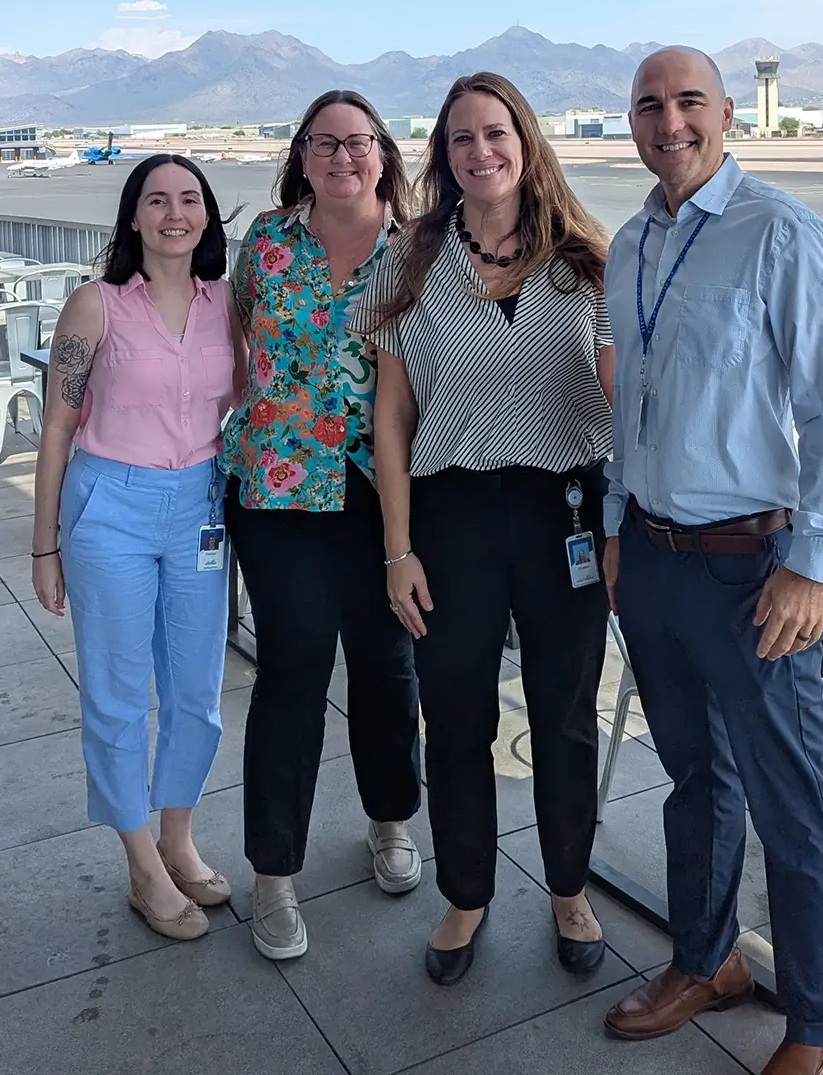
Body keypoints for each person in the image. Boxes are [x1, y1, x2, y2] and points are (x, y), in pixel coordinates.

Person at [599, 48, 823, 1075]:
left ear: (727, 116)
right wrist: (620, 528)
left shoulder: (781, 232)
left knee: (791, 797)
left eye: (689, 103)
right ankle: (706, 962)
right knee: (694, 780)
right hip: (657, 561)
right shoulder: (630, 245)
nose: (670, 122)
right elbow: (632, 409)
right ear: (631, 122)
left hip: (755, 566)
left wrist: (815, 560)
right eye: (649, 105)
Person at [351, 70, 614, 986]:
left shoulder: (587, 259)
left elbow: (631, 394)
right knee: (454, 716)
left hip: (564, 512)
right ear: (443, 156)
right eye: (461, 138)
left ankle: (569, 891)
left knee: (565, 716)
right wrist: (398, 548)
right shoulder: (408, 262)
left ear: (525, 139)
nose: (481, 151)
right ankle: (467, 896)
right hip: (451, 516)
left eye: (495, 132)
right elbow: (390, 419)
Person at [219, 90, 423, 962]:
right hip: (279, 492)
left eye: (360, 142)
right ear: (301, 156)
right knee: (294, 670)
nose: (344, 156)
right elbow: (230, 348)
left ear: (384, 155)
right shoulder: (265, 243)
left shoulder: (421, 250)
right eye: (326, 143)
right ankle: (274, 870)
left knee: (386, 662)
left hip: (384, 496)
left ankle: (387, 819)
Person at [31, 154, 244, 941]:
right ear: (133, 217)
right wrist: (43, 544)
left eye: (190, 199)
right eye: (157, 200)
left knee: (195, 688)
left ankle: (178, 838)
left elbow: (254, 397)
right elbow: (57, 424)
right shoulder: (95, 307)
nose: (174, 213)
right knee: (119, 695)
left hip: (198, 507)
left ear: (208, 217)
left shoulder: (230, 303)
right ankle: (140, 863)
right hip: (109, 507)